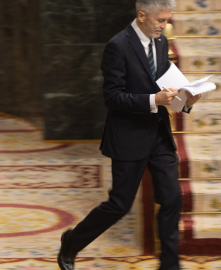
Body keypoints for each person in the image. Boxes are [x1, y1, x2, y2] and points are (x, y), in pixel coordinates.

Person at [57, 1, 202, 269]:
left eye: (167, 20)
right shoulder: (118, 46)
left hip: (158, 134)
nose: (164, 25)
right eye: (160, 20)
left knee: (172, 198)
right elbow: (112, 97)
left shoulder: (160, 42)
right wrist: (152, 99)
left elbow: (165, 86)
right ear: (142, 16)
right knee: (119, 205)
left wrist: (186, 99)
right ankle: (72, 242)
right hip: (128, 136)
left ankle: (170, 265)